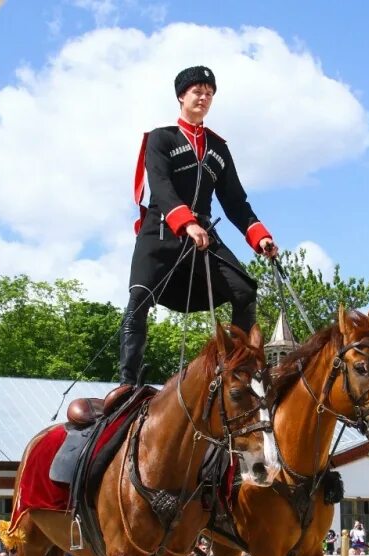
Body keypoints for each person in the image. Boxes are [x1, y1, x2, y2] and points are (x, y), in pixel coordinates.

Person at [106, 65, 279, 408]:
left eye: (209, 93)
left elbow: (235, 201)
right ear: (181, 97)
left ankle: (236, 367)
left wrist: (259, 236)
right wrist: (185, 222)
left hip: (203, 235)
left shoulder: (218, 147)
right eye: (197, 91)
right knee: (138, 299)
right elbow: (161, 186)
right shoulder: (161, 138)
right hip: (161, 230)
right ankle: (128, 383)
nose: (203, 97)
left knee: (245, 289)